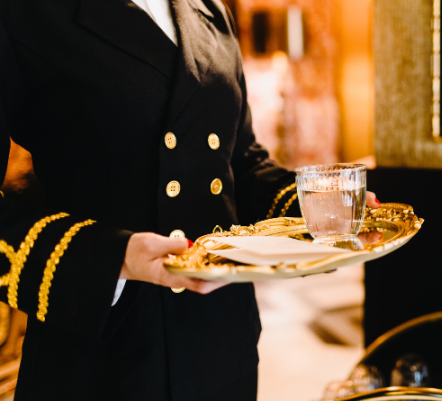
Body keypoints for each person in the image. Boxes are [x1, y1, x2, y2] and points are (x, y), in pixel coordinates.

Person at [0, 0, 379, 399]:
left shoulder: (210, 10)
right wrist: (114, 257)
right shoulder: (25, 12)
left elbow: (239, 164)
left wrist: (317, 209)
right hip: (103, 351)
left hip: (218, 341)